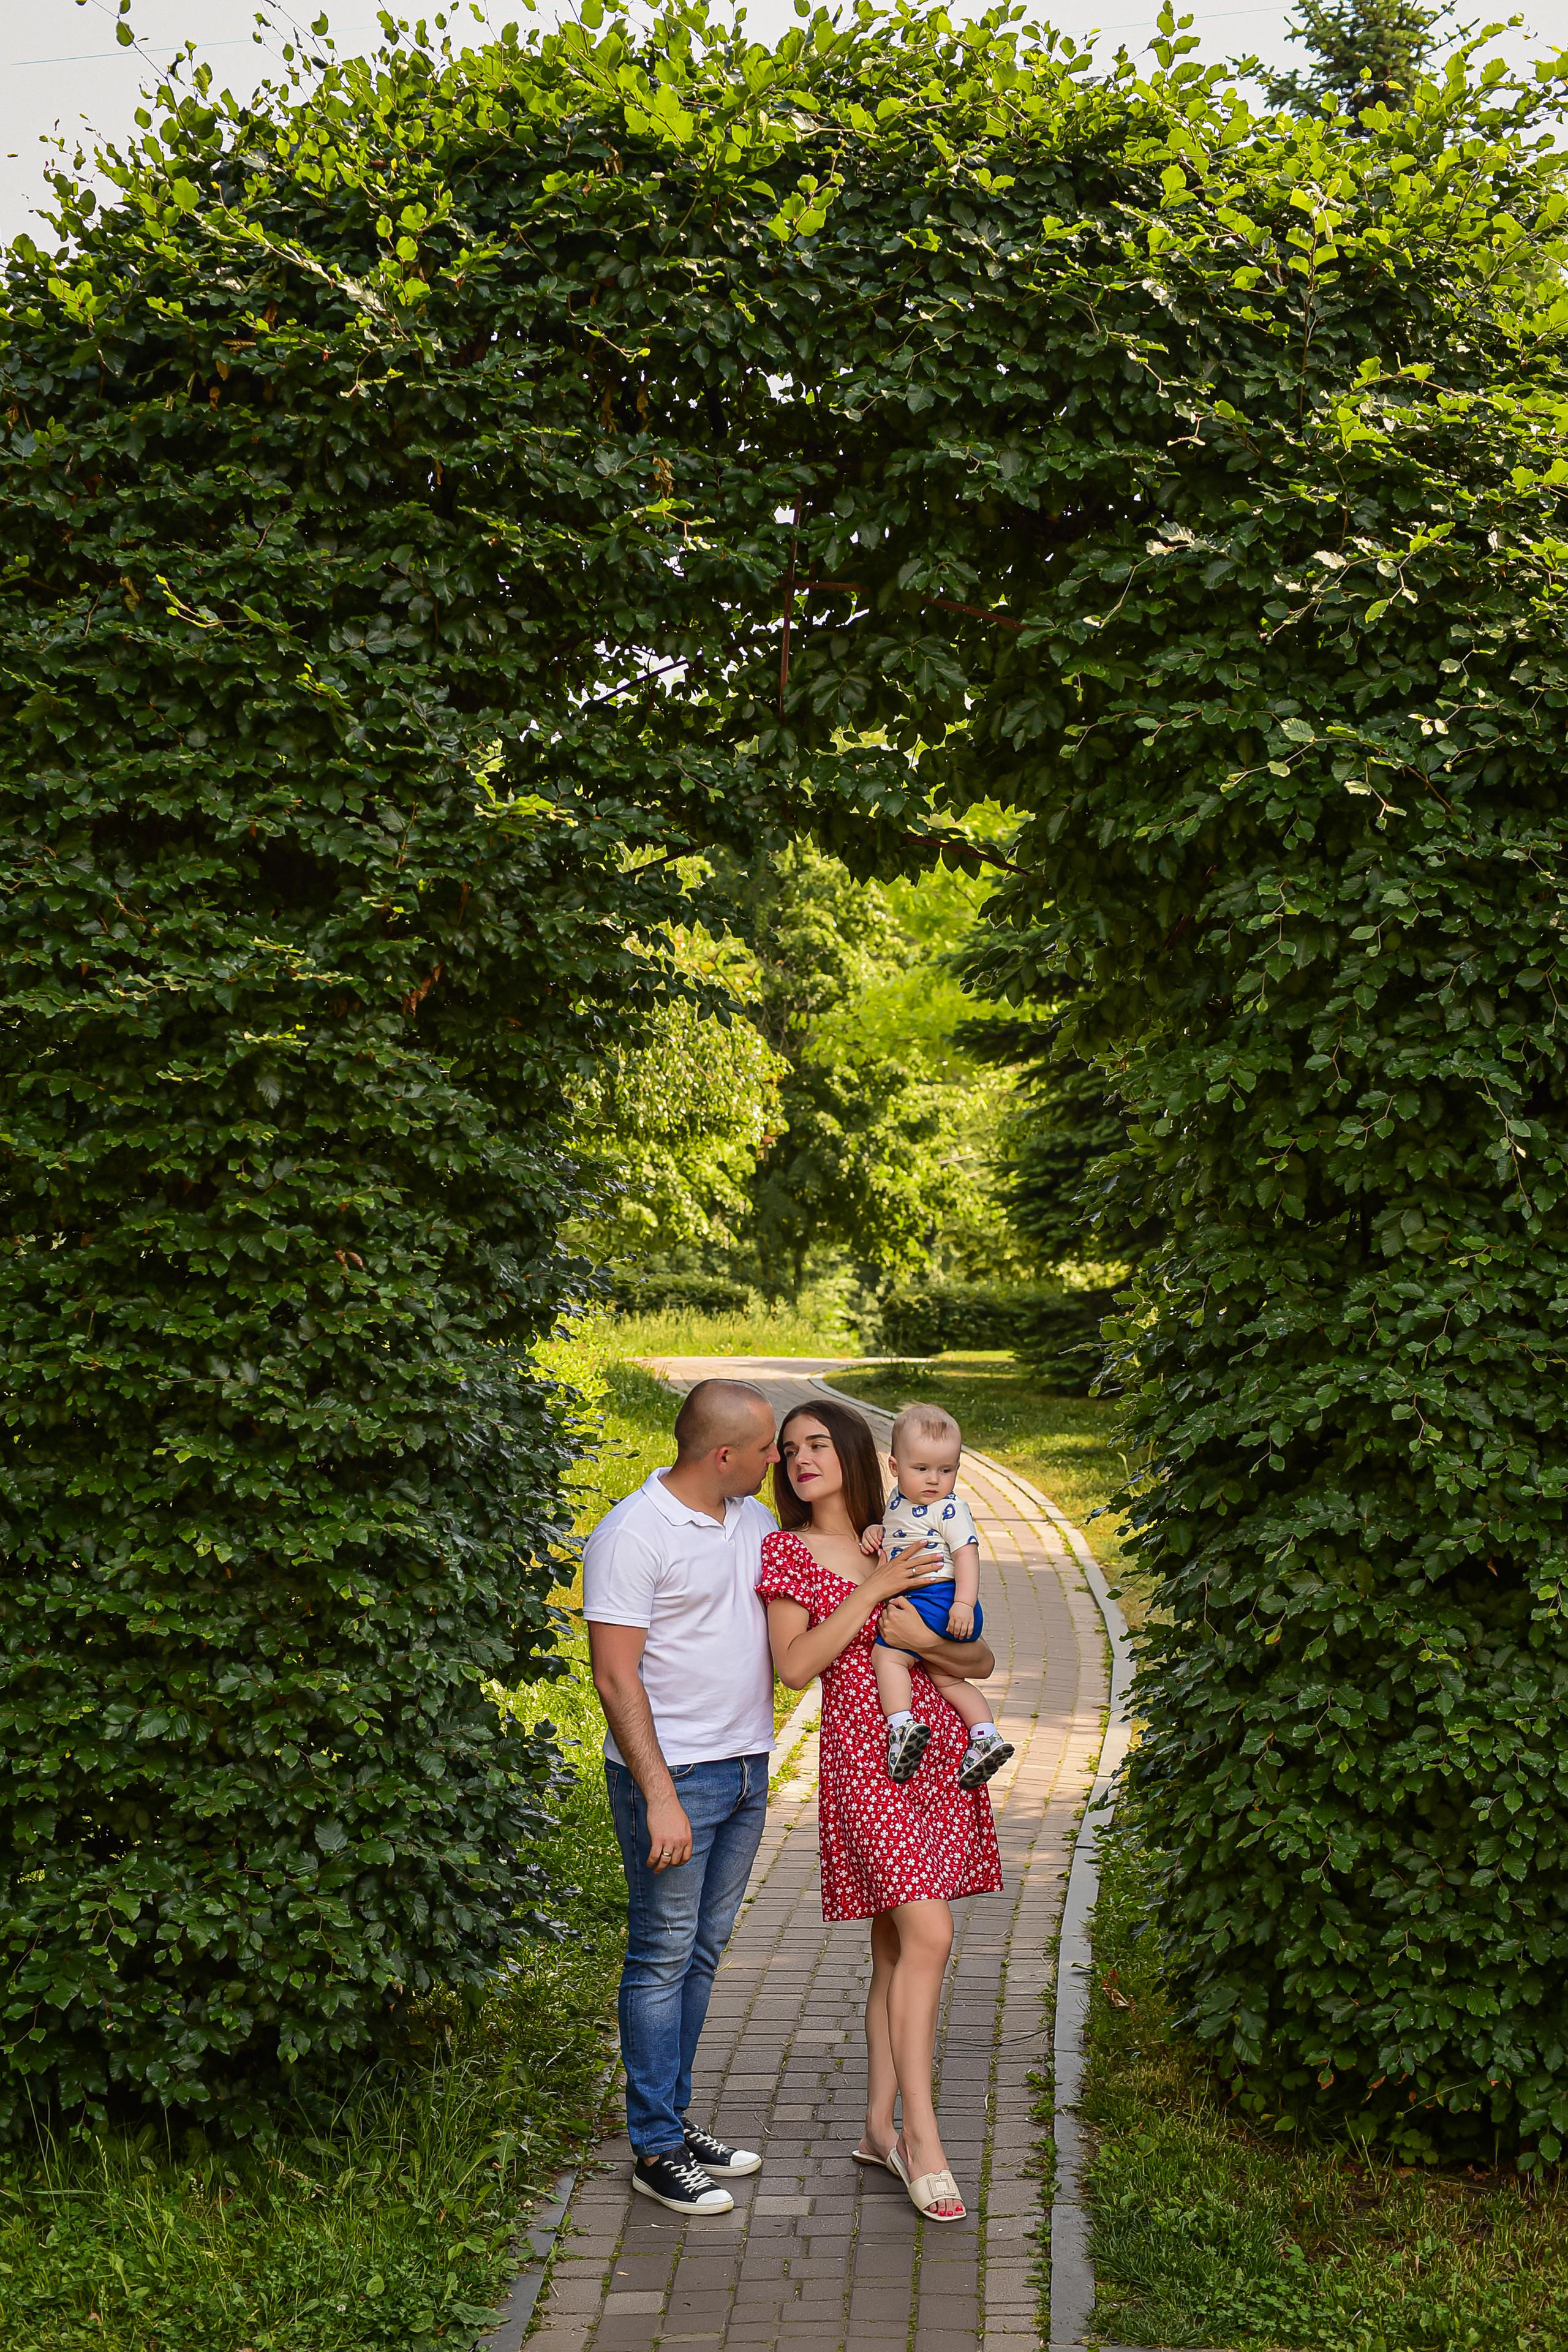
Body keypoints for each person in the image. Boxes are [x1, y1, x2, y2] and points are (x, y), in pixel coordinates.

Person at [756, 1396, 1005, 2226]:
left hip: (935, 1758)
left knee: (899, 1950)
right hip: (866, 1763)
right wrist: (874, 1594)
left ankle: (873, 2129)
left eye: (818, 1443)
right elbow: (795, 1666)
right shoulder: (788, 1550)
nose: (799, 1459)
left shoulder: (911, 1528)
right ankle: (921, 2142)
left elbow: (981, 1657)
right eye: (788, 1449)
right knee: (930, 1934)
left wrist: (924, 1632)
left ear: (861, 1452)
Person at [584, 1376, 780, 2217]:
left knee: (701, 1951)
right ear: (724, 1455)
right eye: (768, 1448)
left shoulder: (755, 1520)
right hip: (674, 1781)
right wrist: (660, 1795)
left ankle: (672, 2116)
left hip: (745, 1770)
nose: (779, 1460)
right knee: (661, 1955)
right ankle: (655, 2149)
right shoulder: (633, 1534)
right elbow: (613, 1675)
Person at [860, 1403, 1015, 1790]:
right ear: (895, 1467)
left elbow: (967, 1554)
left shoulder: (949, 1509)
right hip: (936, 1602)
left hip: (940, 1598)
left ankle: (900, 1727)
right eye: (923, 1469)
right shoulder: (898, 1502)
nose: (934, 1480)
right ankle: (984, 1735)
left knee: (887, 1655)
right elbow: (897, 1533)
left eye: (946, 1471)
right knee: (947, 1679)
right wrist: (874, 1531)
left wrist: (964, 1602)